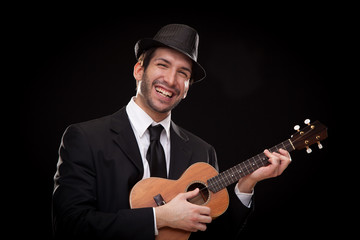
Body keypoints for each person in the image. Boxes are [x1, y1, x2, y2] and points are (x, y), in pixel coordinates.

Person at [52, 24, 291, 240]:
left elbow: (214, 234)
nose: (170, 80)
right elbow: (70, 225)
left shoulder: (202, 152)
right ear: (139, 70)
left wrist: (246, 186)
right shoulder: (85, 138)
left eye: (183, 73)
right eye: (162, 65)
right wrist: (160, 218)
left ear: (187, 88)